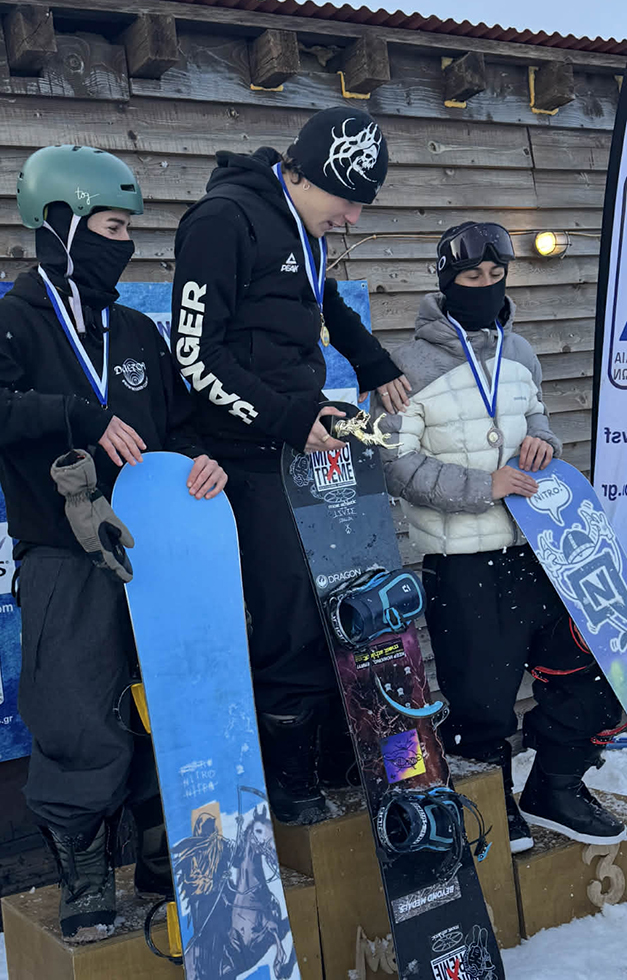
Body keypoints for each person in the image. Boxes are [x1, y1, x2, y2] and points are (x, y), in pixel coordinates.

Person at [0, 144, 227, 940]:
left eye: (128, 229)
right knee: (75, 712)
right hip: (62, 556)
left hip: (154, 552)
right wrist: (80, 415)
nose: (124, 244)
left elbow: (181, 423)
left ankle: (167, 846)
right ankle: (84, 867)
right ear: (59, 226)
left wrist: (202, 459)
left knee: (165, 696)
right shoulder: (13, 323)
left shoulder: (133, 331)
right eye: (110, 227)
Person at [171, 106, 410, 824]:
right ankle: (287, 782)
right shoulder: (221, 221)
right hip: (245, 458)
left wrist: (371, 360)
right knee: (288, 617)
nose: (353, 219)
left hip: (302, 446)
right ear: (303, 174)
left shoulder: (302, 226)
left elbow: (320, 299)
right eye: (347, 201)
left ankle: (345, 753)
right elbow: (195, 356)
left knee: (342, 602)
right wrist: (285, 418)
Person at [377, 221, 625, 852]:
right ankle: (493, 804)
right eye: (471, 276)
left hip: (541, 550)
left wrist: (544, 442)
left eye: (496, 275)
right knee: (482, 702)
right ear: (446, 281)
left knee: (593, 672)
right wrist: (483, 486)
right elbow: (394, 464)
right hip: (464, 562)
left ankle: (556, 785)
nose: (486, 286)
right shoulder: (407, 365)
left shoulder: (521, 353)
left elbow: (537, 420)